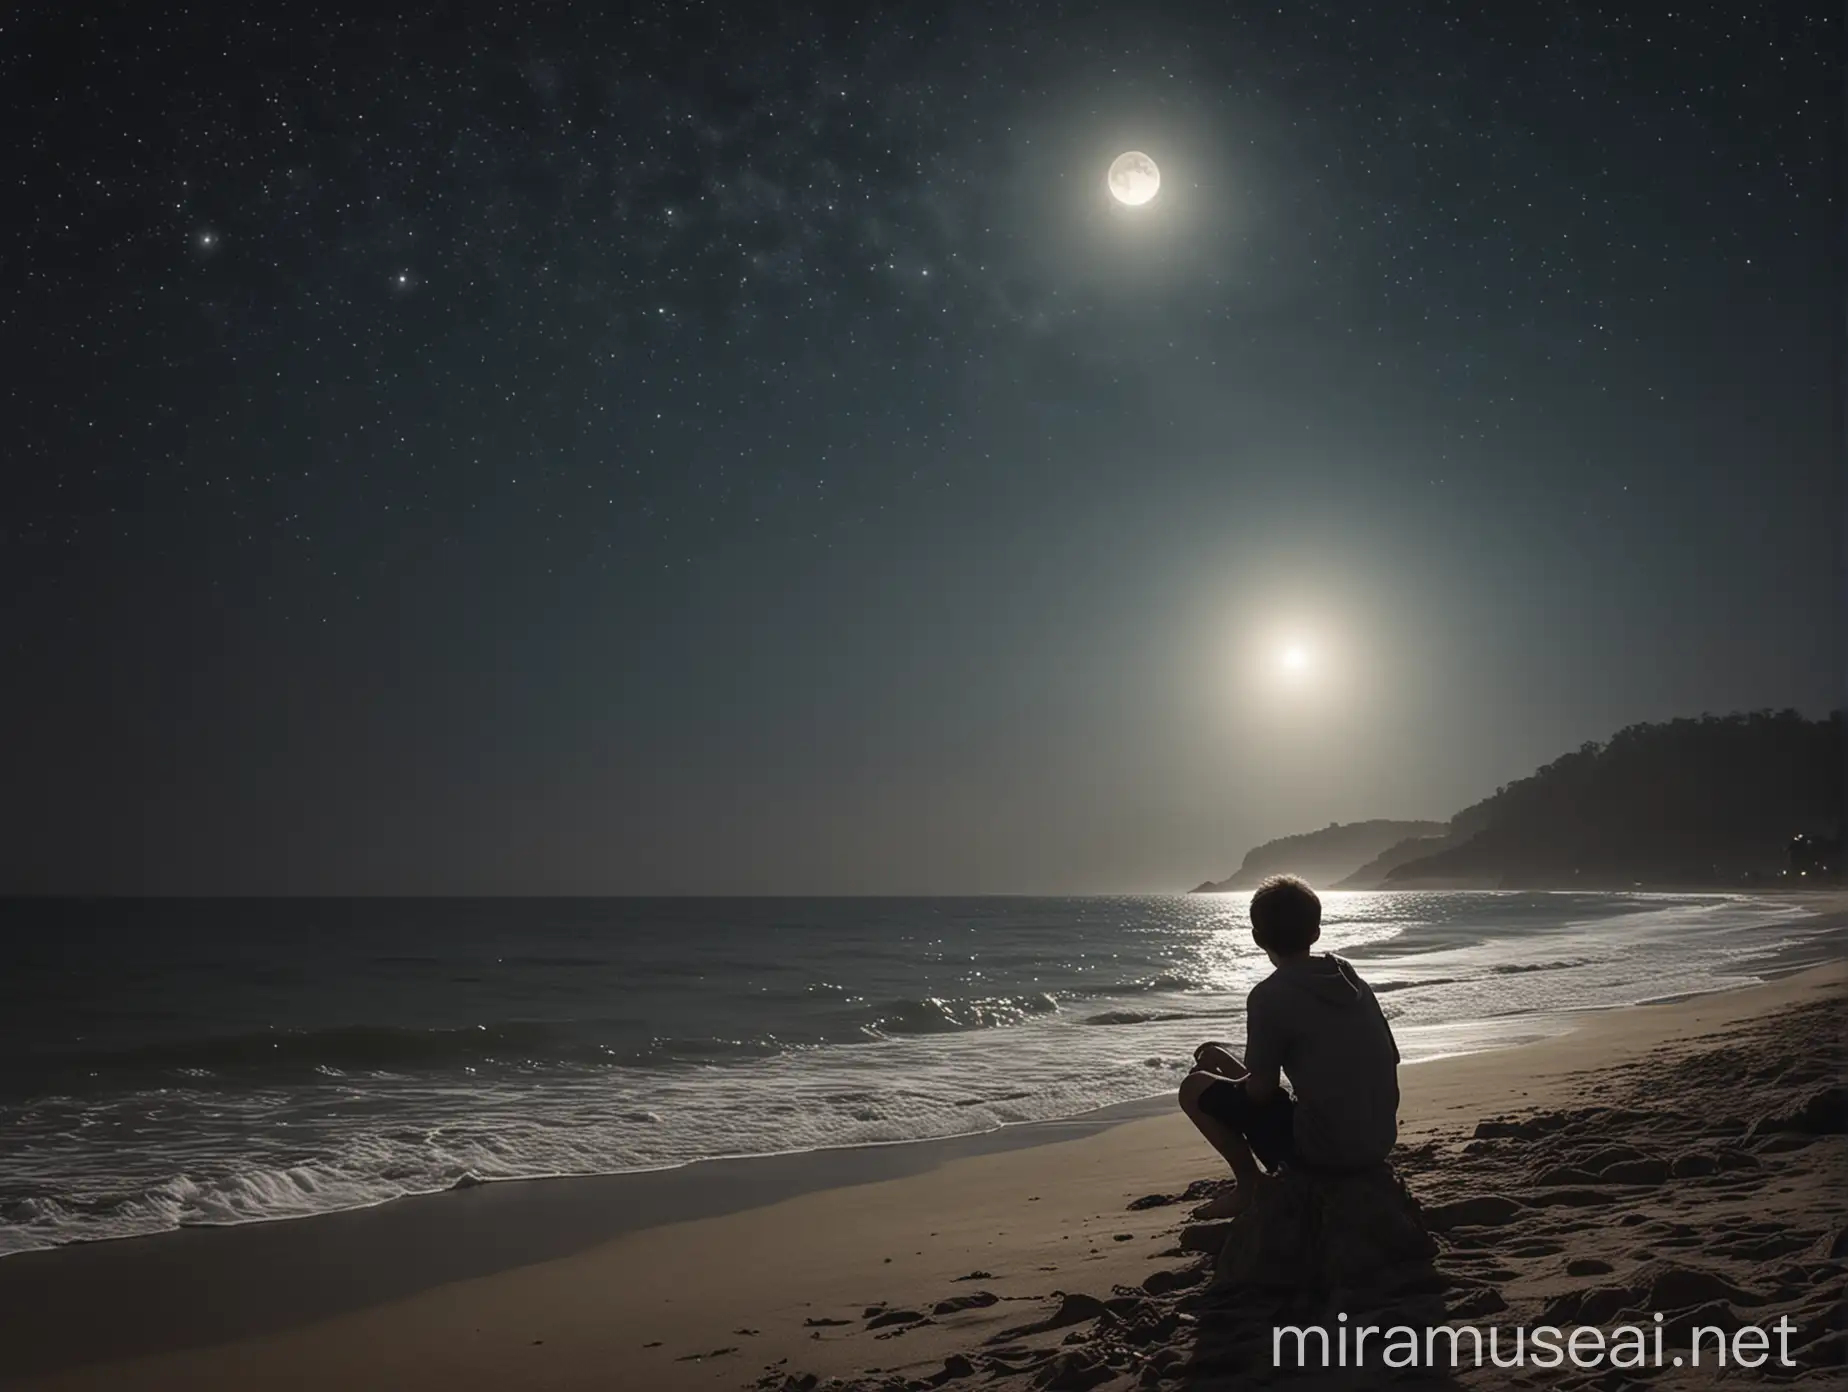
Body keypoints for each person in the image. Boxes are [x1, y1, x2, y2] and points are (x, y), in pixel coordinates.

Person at [1177, 874, 1401, 1218]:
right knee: (1238, 1078)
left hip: (1327, 1151)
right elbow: (1385, 1058)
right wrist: (1227, 1065)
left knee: (1193, 1088)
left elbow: (1262, 1093)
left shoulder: (1270, 995)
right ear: (1316, 932)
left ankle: (1249, 1185)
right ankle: (1220, 1064)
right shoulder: (1350, 979)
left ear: (1256, 938)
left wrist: (1221, 1087)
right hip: (1379, 1139)